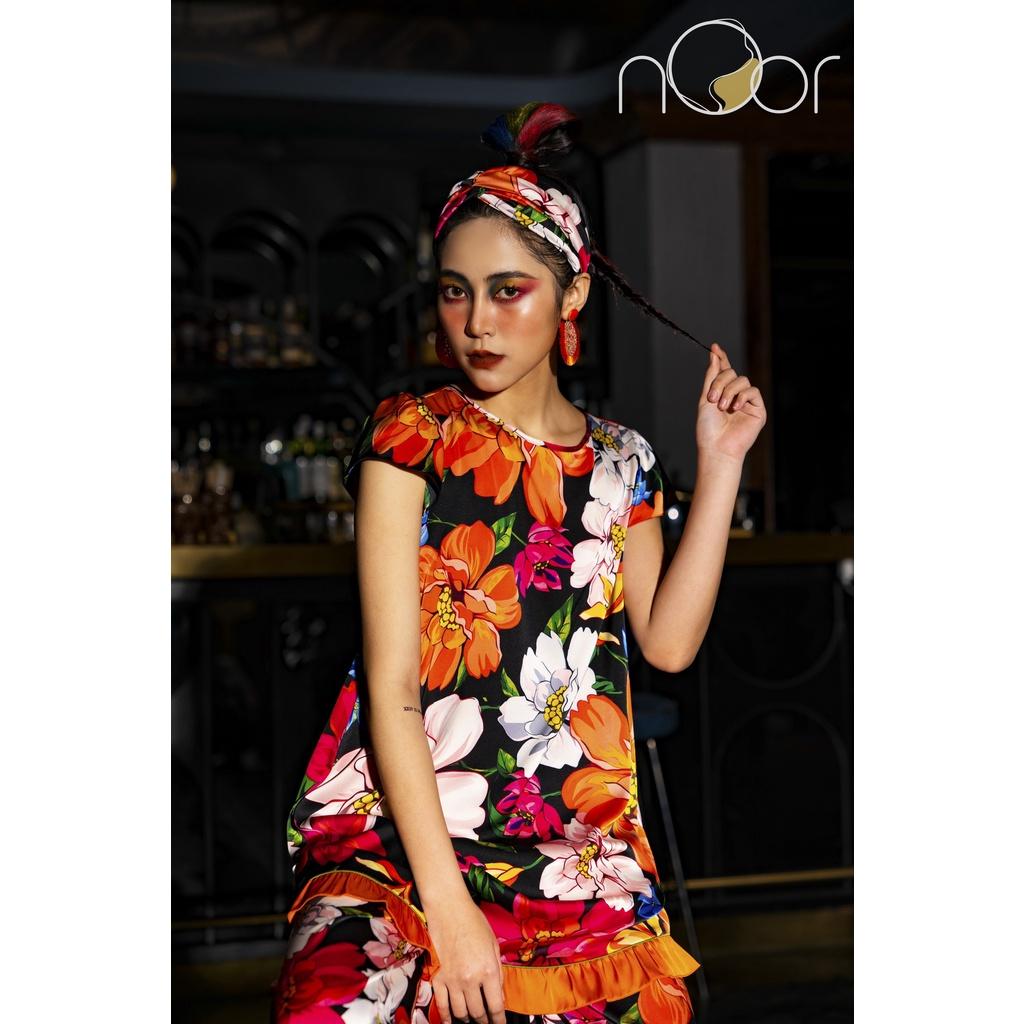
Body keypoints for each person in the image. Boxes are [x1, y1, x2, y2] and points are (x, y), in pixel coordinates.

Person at [272, 101, 767, 1024]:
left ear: (571, 296)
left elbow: (667, 644)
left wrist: (723, 463)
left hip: (571, 841)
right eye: (455, 292)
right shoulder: (411, 438)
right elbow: (392, 689)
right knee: (335, 1006)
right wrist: (451, 912)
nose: (477, 321)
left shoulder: (623, 462)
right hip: (400, 836)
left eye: (509, 290)